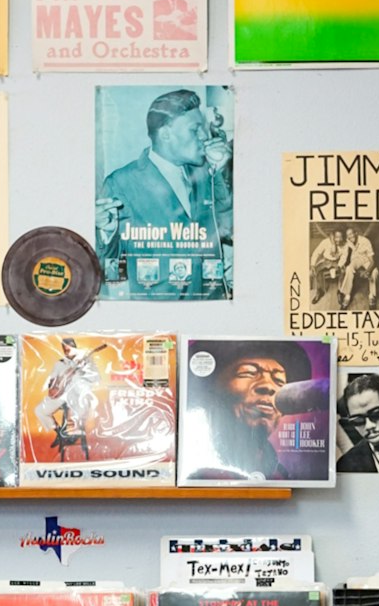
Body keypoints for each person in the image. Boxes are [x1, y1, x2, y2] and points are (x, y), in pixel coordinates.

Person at [95, 89, 232, 299]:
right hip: (160, 311)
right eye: (195, 130)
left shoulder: (208, 171)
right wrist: (107, 232)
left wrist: (221, 172)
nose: (204, 136)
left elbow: (229, 226)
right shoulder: (121, 183)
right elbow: (109, 268)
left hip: (212, 305)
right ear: (166, 134)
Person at [186, 340, 313, 481]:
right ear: (210, 390)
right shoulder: (189, 466)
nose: (268, 386)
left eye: (279, 381)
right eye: (247, 373)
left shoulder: (283, 476)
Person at [34, 337, 101, 460]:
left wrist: (81, 371)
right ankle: (59, 434)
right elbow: (53, 378)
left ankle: (73, 435)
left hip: (77, 396)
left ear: (75, 347)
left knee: (76, 414)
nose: (66, 350)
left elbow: (96, 379)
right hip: (60, 395)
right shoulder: (60, 363)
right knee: (40, 410)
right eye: (64, 348)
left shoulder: (86, 360)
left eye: (69, 347)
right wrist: (52, 387)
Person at [337, 228, 379, 309]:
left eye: (351, 234)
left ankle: (372, 296)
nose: (350, 236)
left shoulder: (365, 241)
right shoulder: (348, 242)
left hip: (367, 259)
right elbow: (343, 254)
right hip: (356, 260)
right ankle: (347, 295)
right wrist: (341, 264)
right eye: (348, 235)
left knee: (375, 272)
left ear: (356, 233)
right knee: (348, 268)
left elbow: (372, 261)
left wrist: (367, 271)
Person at [310, 229, 345, 302]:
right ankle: (320, 291)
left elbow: (344, 257)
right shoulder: (325, 242)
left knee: (343, 271)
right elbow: (317, 252)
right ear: (333, 236)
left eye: (340, 237)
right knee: (317, 270)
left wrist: (339, 266)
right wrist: (313, 264)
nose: (338, 239)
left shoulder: (345, 244)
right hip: (326, 261)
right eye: (336, 237)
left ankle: (340, 291)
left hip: (337, 262)